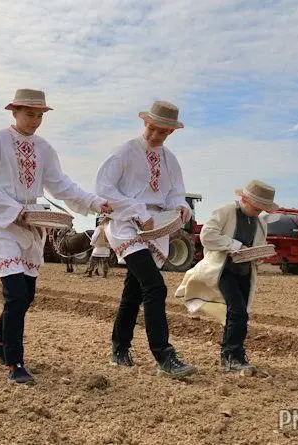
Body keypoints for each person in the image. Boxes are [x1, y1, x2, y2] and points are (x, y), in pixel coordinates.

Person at [0, 89, 112, 384]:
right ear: (14, 112)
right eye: (29, 114)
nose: (34, 120)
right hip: (4, 224)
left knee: (27, 294)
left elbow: (60, 184)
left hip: (33, 227)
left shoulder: (44, 149)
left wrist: (95, 202)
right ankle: (14, 363)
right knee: (16, 294)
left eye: (39, 115)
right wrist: (12, 210)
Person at [94, 100, 196, 378]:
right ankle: (164, 355)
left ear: (171, 133)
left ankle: (119, 348)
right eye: (153, 128)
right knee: (155, 287)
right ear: (145, 123)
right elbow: (103, 187)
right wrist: (136, 210)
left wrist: (180, 206)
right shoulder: (124, 152)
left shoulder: (170, 160)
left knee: (134, 291)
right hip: (126, 224)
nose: (156, 135)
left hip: (156, 228)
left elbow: (175, 192)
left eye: (163, 132)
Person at [175, 180, 279, 375]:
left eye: (262, 209)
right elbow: (207, 236)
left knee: (241, 314)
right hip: (223, 270)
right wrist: (236, 246)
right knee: (237, 311)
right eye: (257, 207)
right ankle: (231, 356)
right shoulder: (225, 212)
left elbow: (255, 248)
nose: (259, 211)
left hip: (245, 272)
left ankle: (234, 354)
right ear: (244, 199)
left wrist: (259, 256)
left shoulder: (259, 224)